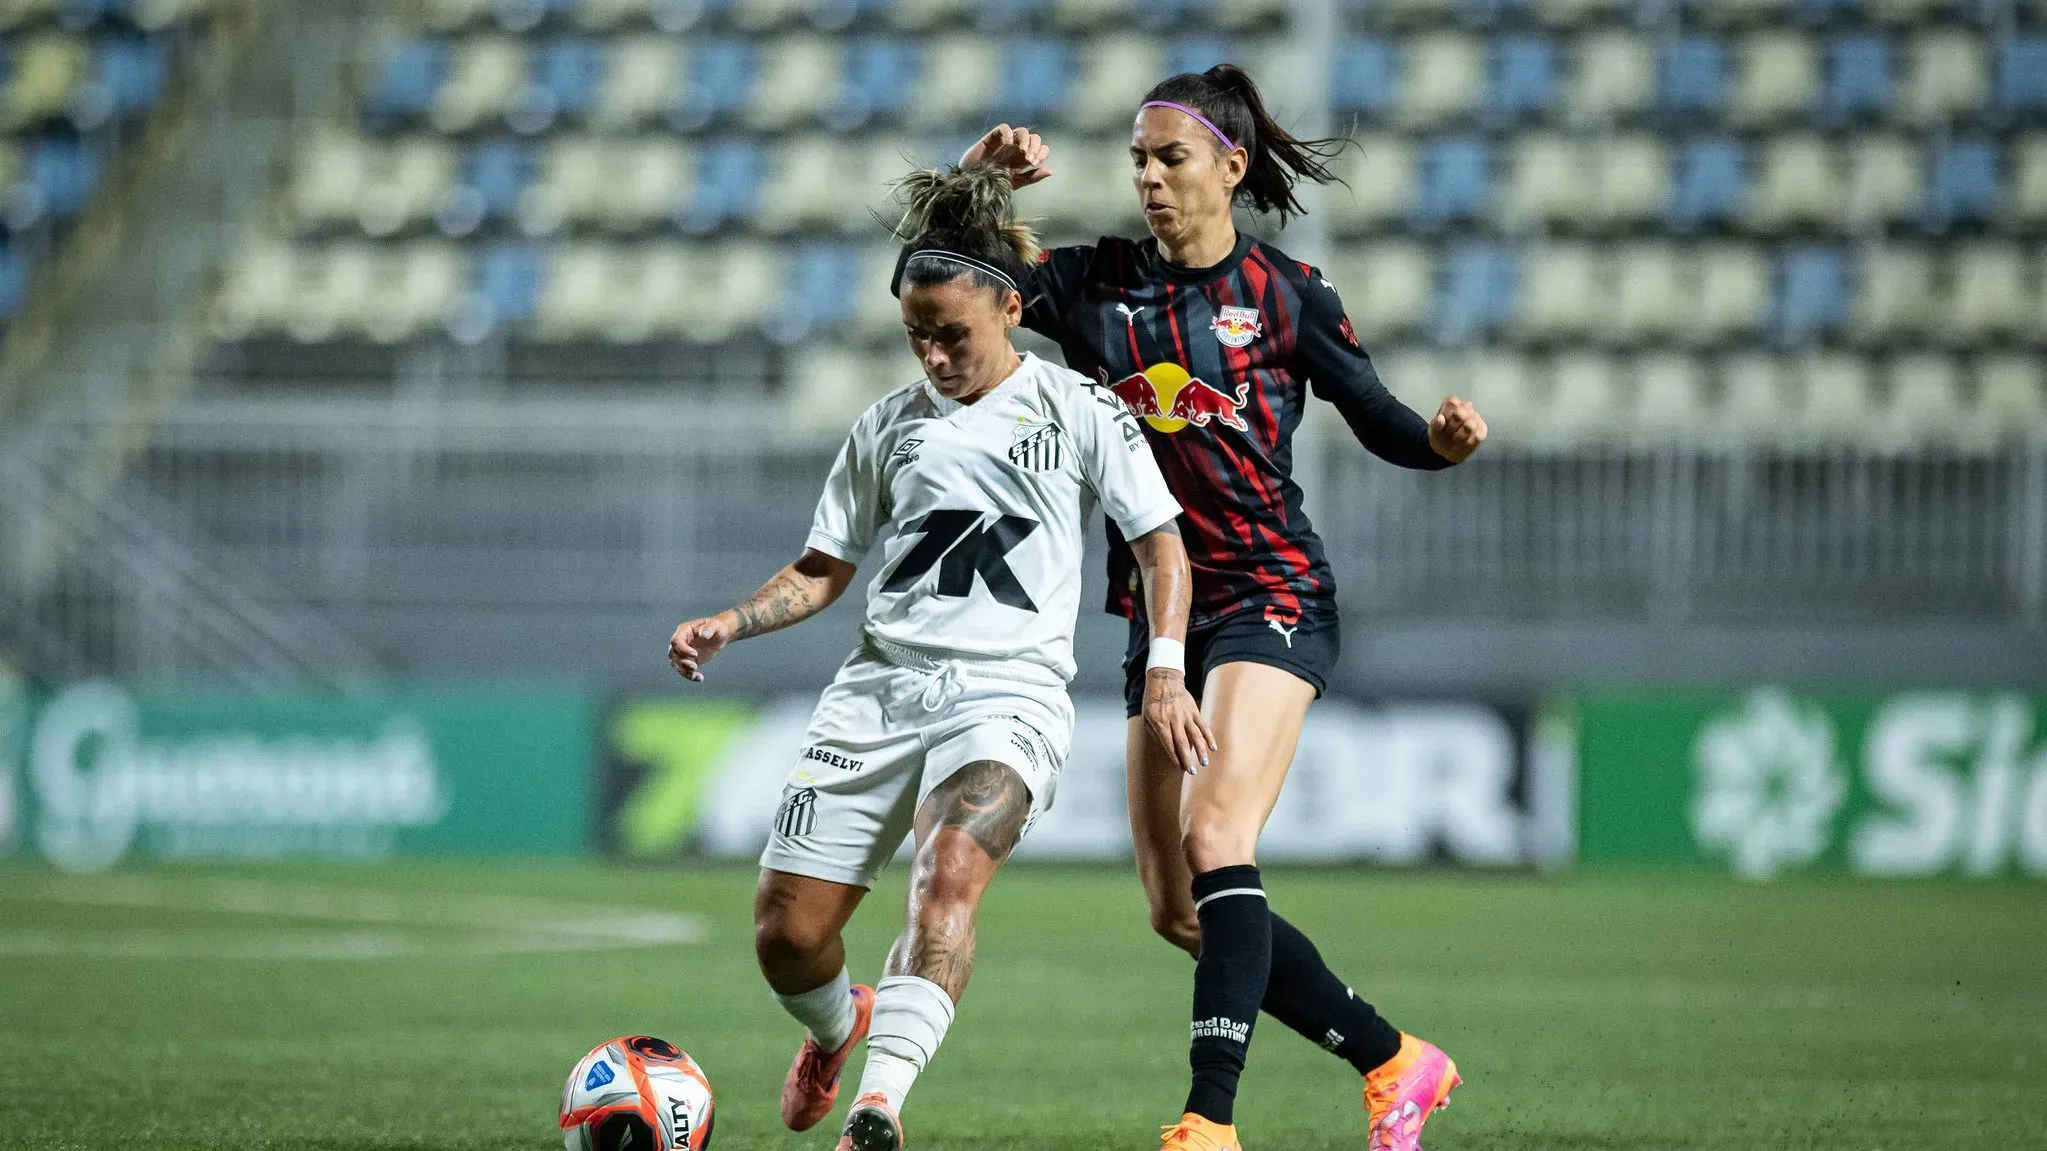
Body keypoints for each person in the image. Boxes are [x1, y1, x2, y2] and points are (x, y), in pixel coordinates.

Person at [961, 63, 1489, 1151]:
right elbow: (956, 276)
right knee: (1177, 909)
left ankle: (1209, 1119)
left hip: (1269, 590)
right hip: (1159, 617)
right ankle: (1395, 1059)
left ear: (1231, 166)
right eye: (1138, 161)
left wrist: (1438, 444)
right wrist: (980, 178)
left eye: (1171, 158)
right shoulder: (1096, 285)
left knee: (1214, 834)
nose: (1148, 178)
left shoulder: (1289, 295)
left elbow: (1377, 414)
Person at [666, 161, 1215, 1151]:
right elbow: (823, 567)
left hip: (1006, 695)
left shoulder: (1081, 409)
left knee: (948, 870)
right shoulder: (886, 425)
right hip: (877, 691)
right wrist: (732, 621)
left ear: (1010, 308)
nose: (932, 352)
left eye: (951, 332)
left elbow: (1160, 547)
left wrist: (1168, 666)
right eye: (915, 333)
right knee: (787, 934)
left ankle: (877, 1110)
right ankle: (838, 1027)